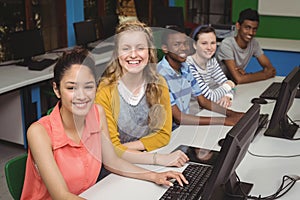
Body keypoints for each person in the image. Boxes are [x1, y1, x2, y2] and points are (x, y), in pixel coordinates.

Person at [21, 48, 188, 200]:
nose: (81, 96)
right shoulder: (39, 132)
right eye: (71, 88)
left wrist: (154, 176)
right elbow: (61, 195)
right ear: (56, 90)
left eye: (88, 87)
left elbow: (111, 161)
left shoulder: (97, 113)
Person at [95, 20, 189, 167]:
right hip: (114, 168)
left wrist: (120, 149)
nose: (133, 55)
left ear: (149, 51)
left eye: (140, 48)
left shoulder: (159, 84)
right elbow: (109, 151)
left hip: (145, 158)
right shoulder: (105, 90)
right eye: (126, 48)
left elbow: (163, 135)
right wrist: (157, 158)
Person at [157, 26, 243, 130]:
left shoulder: (185, 67)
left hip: (184, 127)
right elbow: (178, 118)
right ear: (165, 48)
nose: (183, 48)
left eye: (185, 43)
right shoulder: (159, 75)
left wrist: (233, 114)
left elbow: (203, 101)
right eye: (176, 44)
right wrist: (225, 121)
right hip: (167, 133)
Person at [216, 8, 276, 84]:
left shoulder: (253, 43)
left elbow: (271, 70)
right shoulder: (227, 44)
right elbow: (239, 79)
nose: (251, 32)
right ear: (238, 26)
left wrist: (247, 76)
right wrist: (264, 75)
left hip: (232, 85)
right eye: (247, 28)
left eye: (254, 29)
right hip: (216, 87)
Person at [186, 25, 235, 108]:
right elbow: (208, 97)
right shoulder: (188, 65)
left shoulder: (211, 61)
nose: (209, 48)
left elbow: (225, 84)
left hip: (206, 108)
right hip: (191, 112)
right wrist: (229, 85)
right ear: (194, 45)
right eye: (204, 43)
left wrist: (228, 97)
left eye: (213, 43)